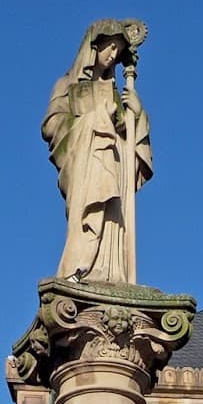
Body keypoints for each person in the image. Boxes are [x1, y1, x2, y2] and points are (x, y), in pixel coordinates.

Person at [43, 20, 151, 284]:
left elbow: (130, 142)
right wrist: (96, 119)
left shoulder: (117, 95)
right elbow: (51, 126)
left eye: (118, 51)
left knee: (113, 223)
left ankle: (112, 275)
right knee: (88, 220)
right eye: (110, 47)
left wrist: (137, 115)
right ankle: (78, 269)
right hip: (86, 165)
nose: (113, 55)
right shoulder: (67, 87)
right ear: (94, 46)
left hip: (114, 169)